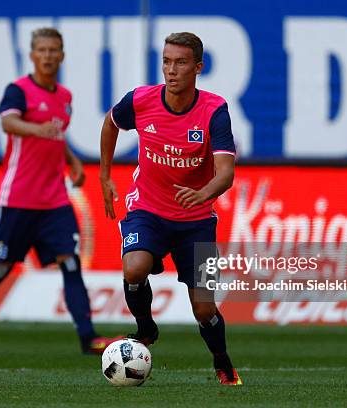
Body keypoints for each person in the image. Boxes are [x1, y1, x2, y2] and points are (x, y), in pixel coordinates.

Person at [0, 28, 120, 356]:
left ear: (62, 55)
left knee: (71, 264)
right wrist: (37, 129)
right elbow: (9, 124)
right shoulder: (18, 91)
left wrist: (72, 160)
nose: (47, 56)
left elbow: (56, 137)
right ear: (31, 55)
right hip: (17, 199)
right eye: (42, 50)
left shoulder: (65, 98)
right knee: (0, 268)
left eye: (54, 50)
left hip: (54, 201)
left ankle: (88, 337)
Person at [99, 32, 242, 385]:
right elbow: (111, 123)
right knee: (134, 268)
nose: (171, 69)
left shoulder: (214, 111)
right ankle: (145, 329)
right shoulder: (141, 100)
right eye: (166, 61)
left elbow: (226, 173)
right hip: (147, 209)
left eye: (180, 62)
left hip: (197, 221)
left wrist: (203, 193)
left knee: (205, 308)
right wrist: (104, 175)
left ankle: (222, 362)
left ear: (198, 67)